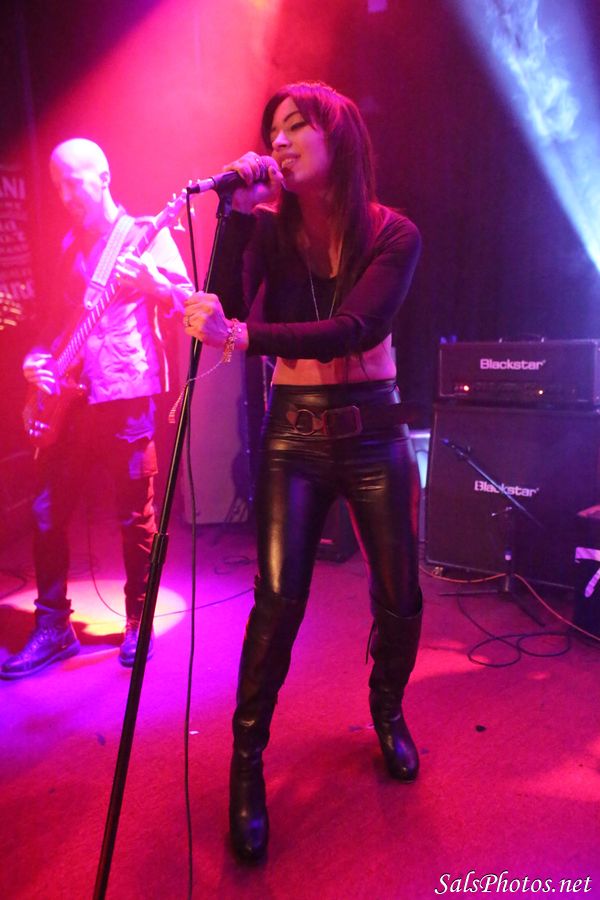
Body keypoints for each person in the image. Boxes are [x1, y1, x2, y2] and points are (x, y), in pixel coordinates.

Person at [183, 81, 423, 862]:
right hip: (293, 433)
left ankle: (387, 709)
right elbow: (220, 308)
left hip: (374, 430)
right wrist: (235, 216)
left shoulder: (393, 233)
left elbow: (356, 327)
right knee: (278, 601)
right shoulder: (270, 230)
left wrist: (246, 338)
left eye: (295, 127)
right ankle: (246, 758)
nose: (278, 142)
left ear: (337, 135)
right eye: (271, 131)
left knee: (400, 594)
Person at [1, 138, 193, 680]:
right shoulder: (69, 245)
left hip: (127, 395)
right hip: (72, 400)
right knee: (46, 510)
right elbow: (56, 324)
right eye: (56, 185)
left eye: (72, 182)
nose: (64, 195)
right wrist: (36, 362)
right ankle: (53, 626)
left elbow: (190, 303)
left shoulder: (145, 234)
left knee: (134, 516)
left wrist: (152, 284)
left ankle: (138, 618)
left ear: (103, 177)